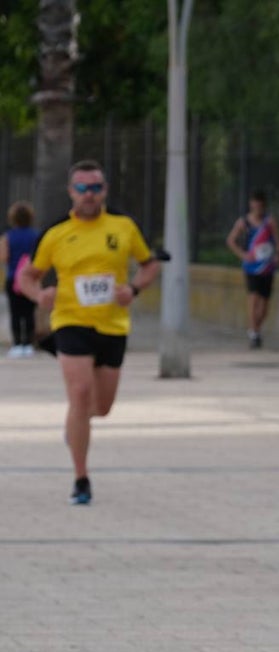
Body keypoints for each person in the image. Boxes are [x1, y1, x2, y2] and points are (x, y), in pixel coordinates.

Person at [18, 159, 161, 505]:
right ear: (71, 192)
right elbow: (25, 277)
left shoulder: (123, 227)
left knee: (102, 407)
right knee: (79, 394)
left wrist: (135, 289)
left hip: (113, 325)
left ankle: (75, 426)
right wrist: (41, 295)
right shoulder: (55, 234)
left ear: (104, 191)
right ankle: (81, 479)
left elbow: (150, 264)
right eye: (81, 188)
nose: (88, 195)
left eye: (95, 188)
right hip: (70, 321)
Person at [225, 189, 279, 349]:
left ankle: (256, 327)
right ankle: (253, 332)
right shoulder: (244, 222)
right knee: (253, 298)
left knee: (264, 305)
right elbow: (230, 240)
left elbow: (278, 241)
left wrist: (278, 254)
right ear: (251, 204)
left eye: (260, 204)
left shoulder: (269, 222)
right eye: (254, 203)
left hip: (267, 266)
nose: (257, 206)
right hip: (251, 267)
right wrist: (243, 255)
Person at [2, 201, 40, 358]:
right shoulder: (37, 235)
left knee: (16, 313)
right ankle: (29, 344)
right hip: (31, 279)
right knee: (29, 313)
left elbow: (3, 257)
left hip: (13, 278)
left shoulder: (8, 237)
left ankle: (17, 344)